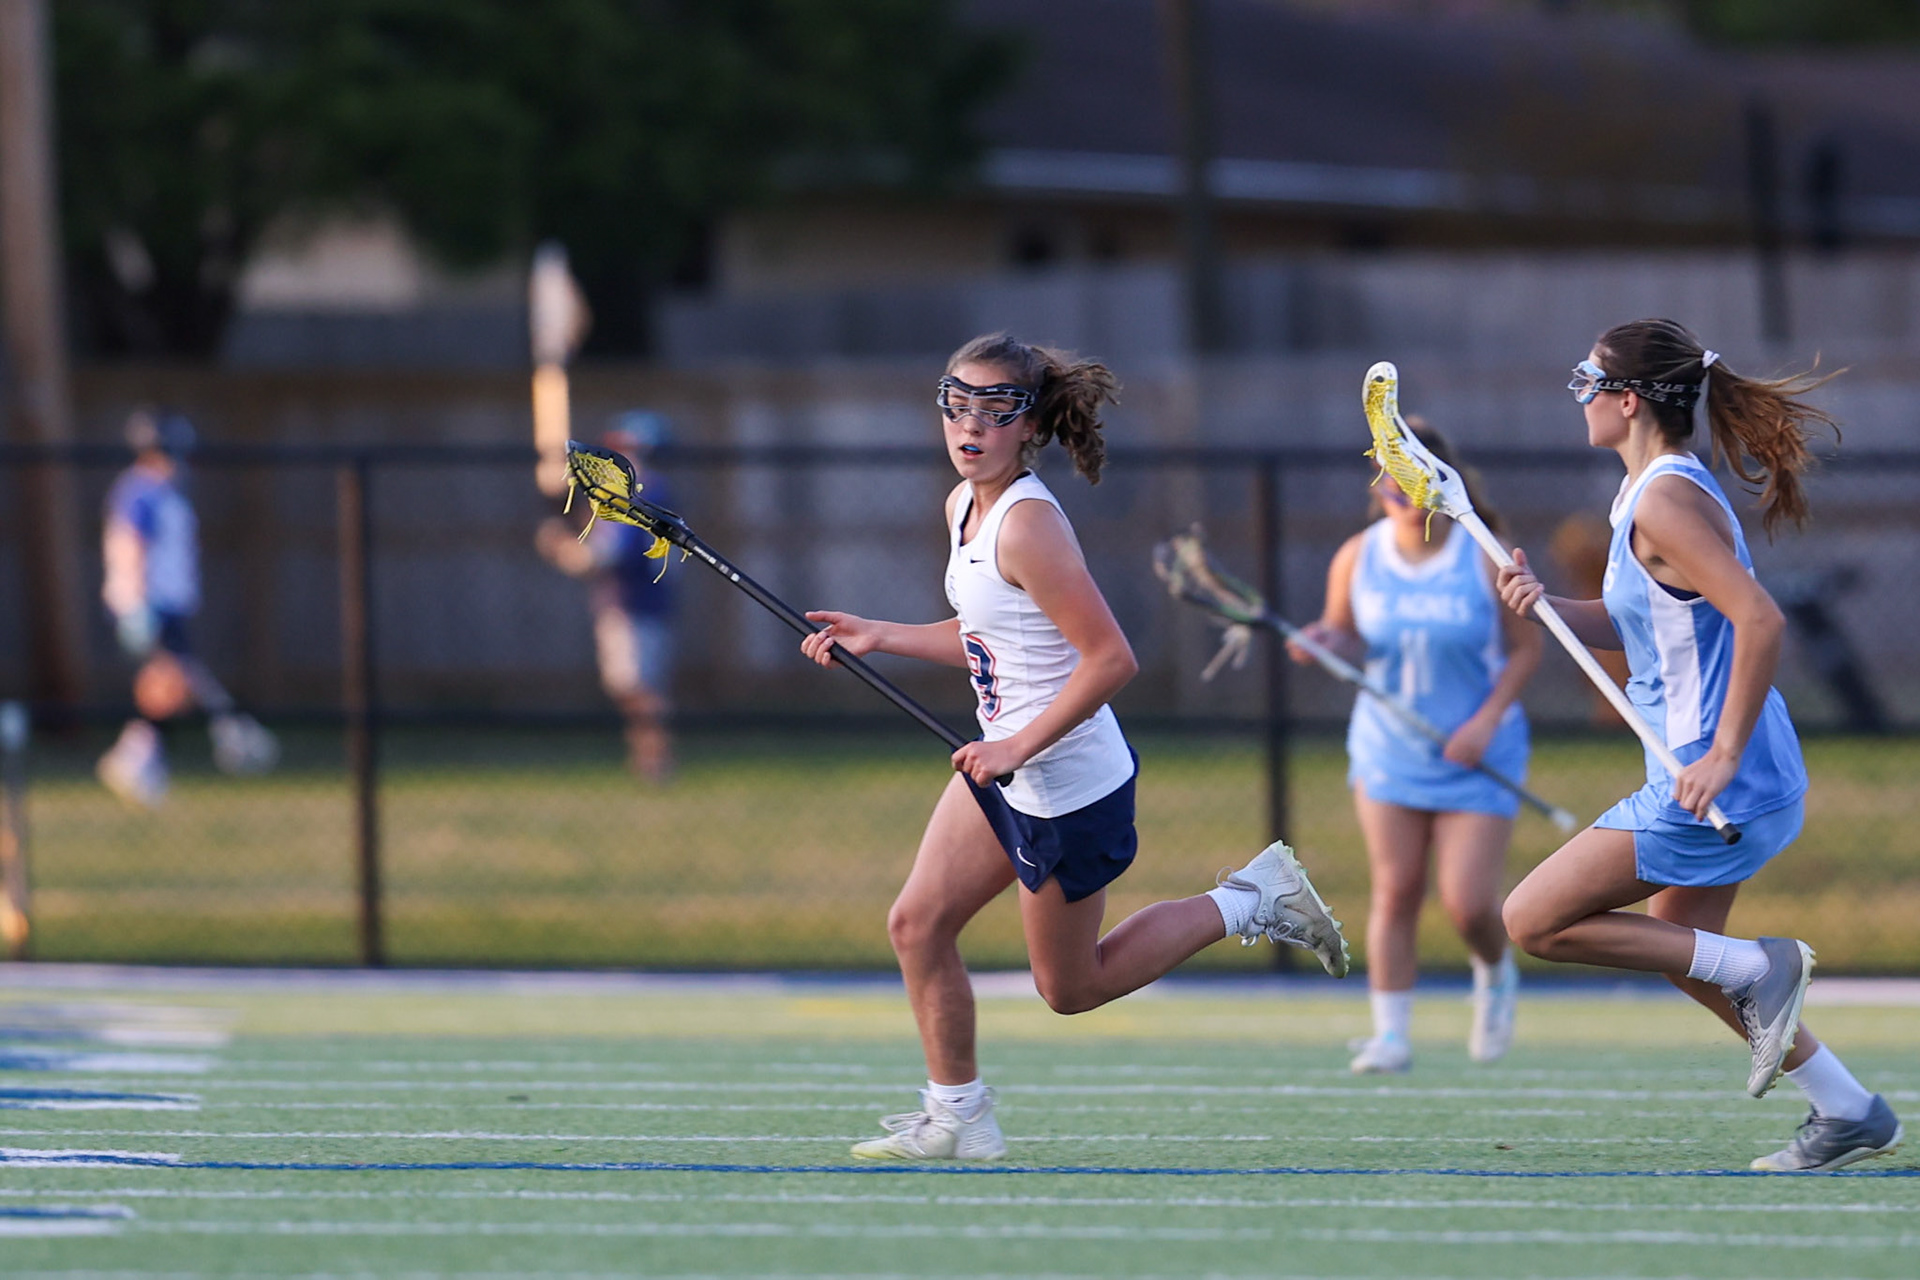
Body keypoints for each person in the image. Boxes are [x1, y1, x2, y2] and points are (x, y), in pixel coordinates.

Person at [800, 333, 1350, 1161]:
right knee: (917, 924)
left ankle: (1253, 898)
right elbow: (995, 634)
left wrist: (1017, 744)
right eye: (957, 405)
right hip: (1006, 765)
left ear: (1030, 426)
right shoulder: (963, 506)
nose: (970, 426)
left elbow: (1111, 658)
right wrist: (884, 634)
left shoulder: (1027, 527)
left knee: (1071, 986)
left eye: (994, 410)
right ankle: (960, 1116)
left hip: (1065, 785)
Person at [1496, 318, 1903, 1172]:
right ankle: (1848, 1109)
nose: (1581, 394)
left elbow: (1760, 618)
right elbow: (1646, 622)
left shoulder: (1666, 500)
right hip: (1739, 772)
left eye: (1589, 378)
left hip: (1722, 776)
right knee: (1687, 950)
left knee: (1532, 919)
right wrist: (1546, 608)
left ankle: (1764, 967)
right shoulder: (1652, 491)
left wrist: (1720, 753)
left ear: (1629, 399)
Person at [1289, 420, 1542, 1074]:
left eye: (1407, 468)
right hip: (1389, 748)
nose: (1393, 483)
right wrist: (1323, 642)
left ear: (1439, 474)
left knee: (1467, 902)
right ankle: (1391, 1036)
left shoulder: (1485, 552)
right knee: (1396, 889)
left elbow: (1525, 651)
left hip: (1478, 754)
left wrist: (1484, 722)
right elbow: (1348, 636)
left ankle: (1494, 973)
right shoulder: (1358, 555)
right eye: (1384, 469)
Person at [97, 408, 278, 808]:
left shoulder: (166, 491)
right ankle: (145, 758)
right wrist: (139, 604)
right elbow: (132, 545)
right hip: (148, 606)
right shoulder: (139, 490)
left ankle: (138, 758)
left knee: (168, 685)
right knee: (173, 680)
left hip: (170, 605)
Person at [537, 412, 677, 780]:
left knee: (637, 686)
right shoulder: (642, 493)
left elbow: (607, 554)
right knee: (630, 685)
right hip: (631, 603)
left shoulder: (641, 494)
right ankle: (647, 759)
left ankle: (654, 760)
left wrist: (562, 548)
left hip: (634, 603)